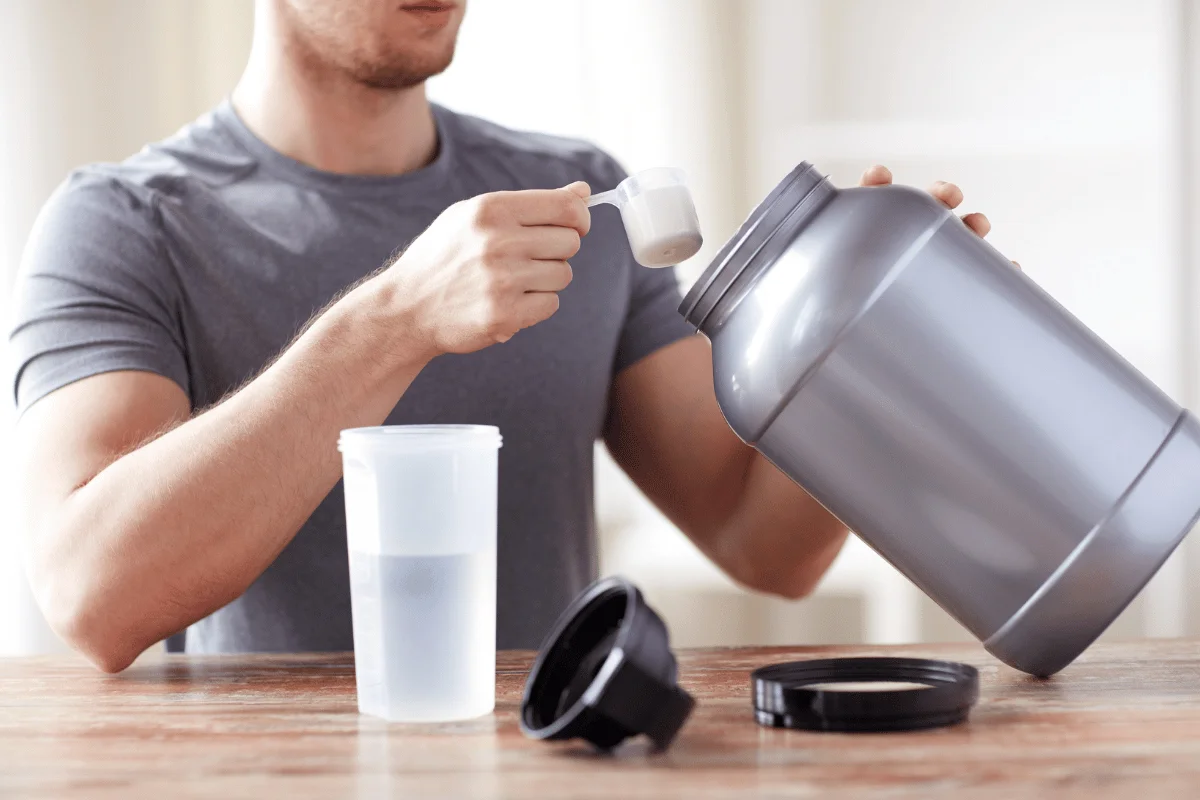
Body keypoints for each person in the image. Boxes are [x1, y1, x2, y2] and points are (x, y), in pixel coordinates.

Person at [8, 0, 997, 673]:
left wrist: (866, 360)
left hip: (548, 765)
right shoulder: (125, 221)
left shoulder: (581, 195)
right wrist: (393, 321)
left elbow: (763, 542)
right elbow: (95, 595)